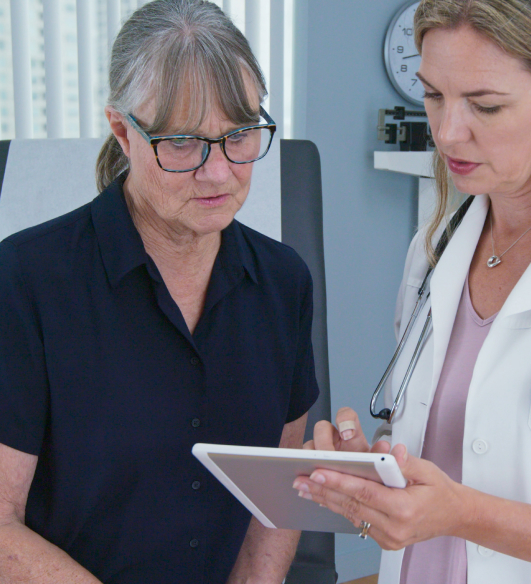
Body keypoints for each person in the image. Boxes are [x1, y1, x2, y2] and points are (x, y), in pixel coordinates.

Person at [293, 1, 531, 583]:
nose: (448, 132)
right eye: (433, 95)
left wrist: (465, 514)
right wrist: (375, 468)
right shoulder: (436, 250)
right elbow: (443, 437)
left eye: (486, 104)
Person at [0, 1, 318, 582]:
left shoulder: (283, 283)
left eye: (240, 135)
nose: (218, 172)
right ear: (123, 131)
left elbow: (275, 497)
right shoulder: (24, 282)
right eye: (182, 143)